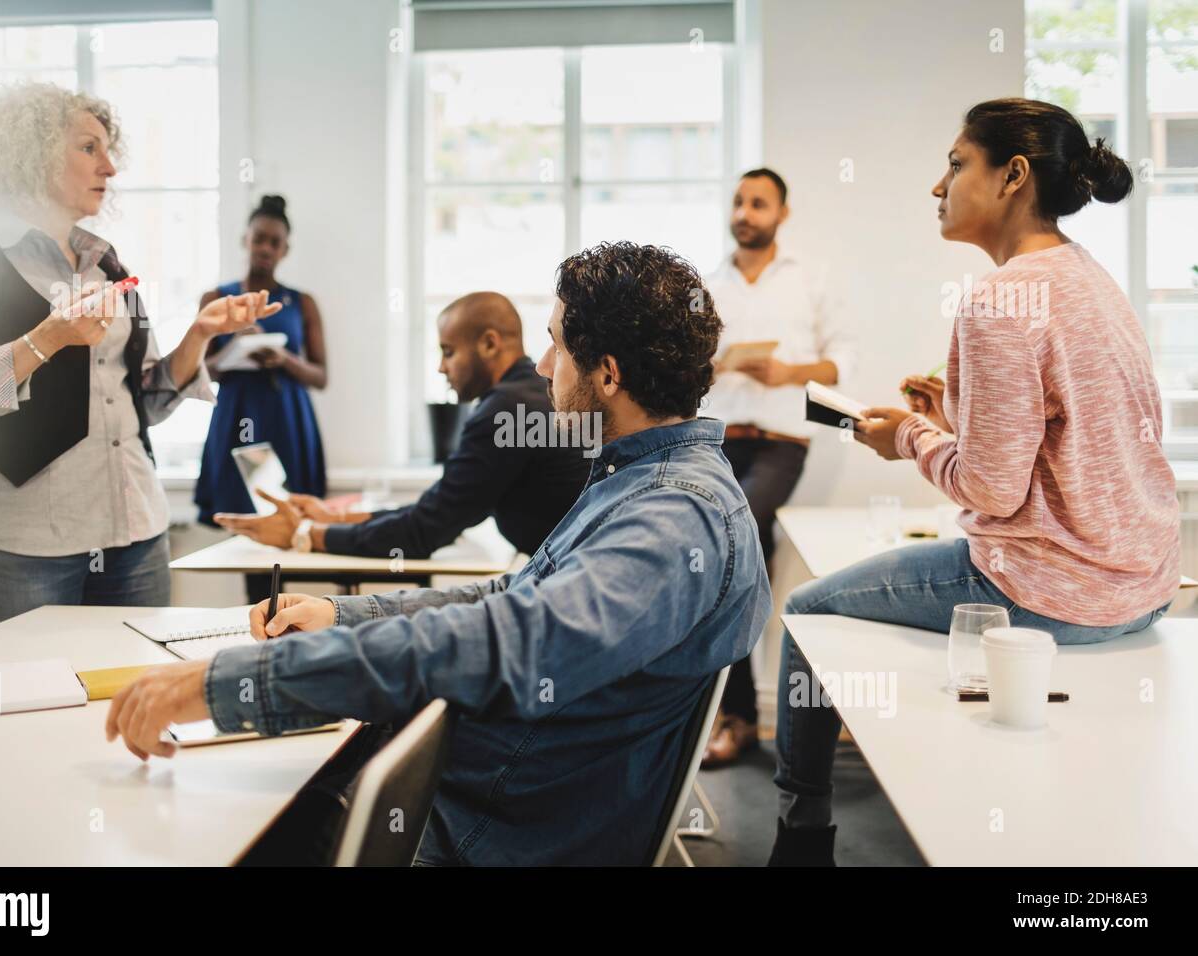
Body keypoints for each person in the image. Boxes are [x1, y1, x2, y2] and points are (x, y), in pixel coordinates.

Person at [105, 242, 772, 866]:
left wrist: (234, 683)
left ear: (608, 373)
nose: (542, 367)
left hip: (490, 825)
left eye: (556, 346)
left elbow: (510, 638)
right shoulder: (641, 478)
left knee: (194, 823)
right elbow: (510, 599)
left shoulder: (673, 518)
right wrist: (346, 619)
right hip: (490, 787)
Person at [770, 98, 1180, 866]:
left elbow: (990, 493)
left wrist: (908, 439)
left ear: (1012, 176)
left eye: (957, 164)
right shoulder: (1089, 276)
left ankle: (801, 840)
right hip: (1143, 584)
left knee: (803, 611)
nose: (939, 186)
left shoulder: (996, 298)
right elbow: (1065, 436)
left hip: (1049, 590)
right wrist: (954, 417)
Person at [0, 83, 277, 631]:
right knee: (25, 707)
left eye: (109, 150)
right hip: (23, 549)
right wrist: (45, 340)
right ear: (30, 154)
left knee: (129, 706)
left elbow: (147, 400)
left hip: (136, 537)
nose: (109, 165)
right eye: (89, 148)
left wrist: (201, 334)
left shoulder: (106, 264)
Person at [214, 291, 590, 560]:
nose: (442, 367)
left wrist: (303, 535)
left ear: (490, 344)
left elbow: (424, 530)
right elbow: (442, 508)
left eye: (448, 351)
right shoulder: (526, 396)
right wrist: (336, 517)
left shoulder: (506, 409)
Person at [699, 167, 856, 767]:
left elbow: (843, 359)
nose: (745, 212)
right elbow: (688, 366)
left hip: (781, 443)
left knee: (730, 540)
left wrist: (791, 373)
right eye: (738, 202)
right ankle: (732, 713)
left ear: (781, 214)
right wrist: (717, 366)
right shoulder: (707, 284)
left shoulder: (810, 279)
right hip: (718, 440)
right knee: (734, 560)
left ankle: (735, 718)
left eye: (758, 203)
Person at [194, 194, 328, 601]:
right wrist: (236, 348)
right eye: (259, 239)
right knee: (248, 525)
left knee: (292, 518)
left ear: (284, 249)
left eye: (275, 242)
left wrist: (282, 357)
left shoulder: (302, 303)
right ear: (245, 240)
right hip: (238, 420)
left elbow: (321, 375)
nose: (266, 248)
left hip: (288, 421)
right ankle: (258, 620)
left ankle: (290, 615)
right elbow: (196, 369)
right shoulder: (216, 298)